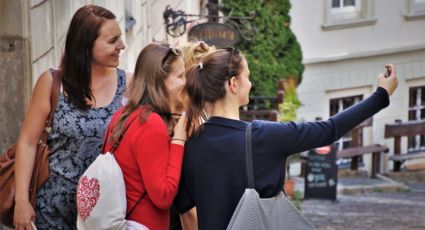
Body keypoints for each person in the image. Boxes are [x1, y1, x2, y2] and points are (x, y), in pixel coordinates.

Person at [174, 47, 398, 230]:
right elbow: (330, 129)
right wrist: (381, 95)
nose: (250, 84)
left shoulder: (190, 144)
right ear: (233, 83)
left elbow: (188, 215)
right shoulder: (264, 136)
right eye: (247, 77)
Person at [13, 5, 131, 229]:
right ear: (86, 46)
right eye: (112, 40)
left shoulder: (130, 85)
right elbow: (27, 142)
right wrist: (21, 200)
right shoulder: (52, 82)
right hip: (53, 213)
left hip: (107, 216)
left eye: (121, 38)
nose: (121, 46)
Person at [103, 43, 187, 230]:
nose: (186, 82)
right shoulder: (150, 123)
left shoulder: (124, 113)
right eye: (181, 76)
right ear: (160, 81)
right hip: (142, 224)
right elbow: (163, 196)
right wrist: (179, 140)